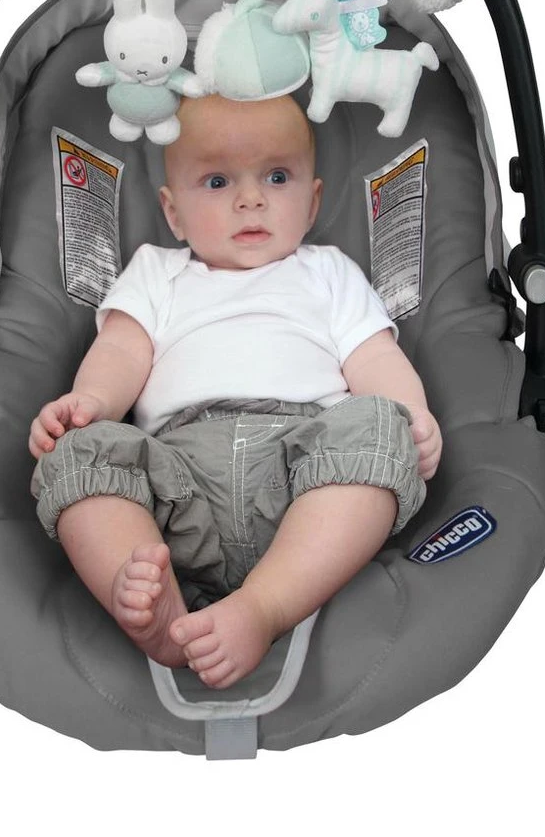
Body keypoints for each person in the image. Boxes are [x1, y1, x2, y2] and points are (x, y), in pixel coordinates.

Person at [29, 92, 442, 691]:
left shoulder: (329, 272)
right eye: (218, 182)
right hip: (175, 482)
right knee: (77, 456)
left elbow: (375, 355)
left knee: (378, 430)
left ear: (312, 202)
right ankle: (148, 600)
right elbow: (121, 351)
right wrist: (90, 403)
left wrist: (412, 416)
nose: (251, 199)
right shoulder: (157, 272)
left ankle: (264, 607)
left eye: (277, 177)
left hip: (304, 475)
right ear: (174, 213)